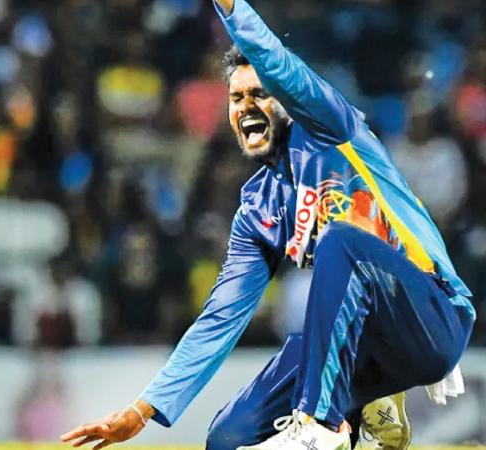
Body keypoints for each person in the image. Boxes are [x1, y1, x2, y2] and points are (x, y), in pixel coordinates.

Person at [61, 1, 476, 450]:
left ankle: (320, 423)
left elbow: (278, 63)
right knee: (228, 438)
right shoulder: (258, 209)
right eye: (236, 98)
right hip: (362, 353)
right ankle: (367, 413)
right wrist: (141, 410)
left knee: (341, 243)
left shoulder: (332, 130)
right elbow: (220, 318)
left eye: (260, 94)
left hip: (430, 316)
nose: (246, 106)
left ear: (291, 101)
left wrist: (231, 8)